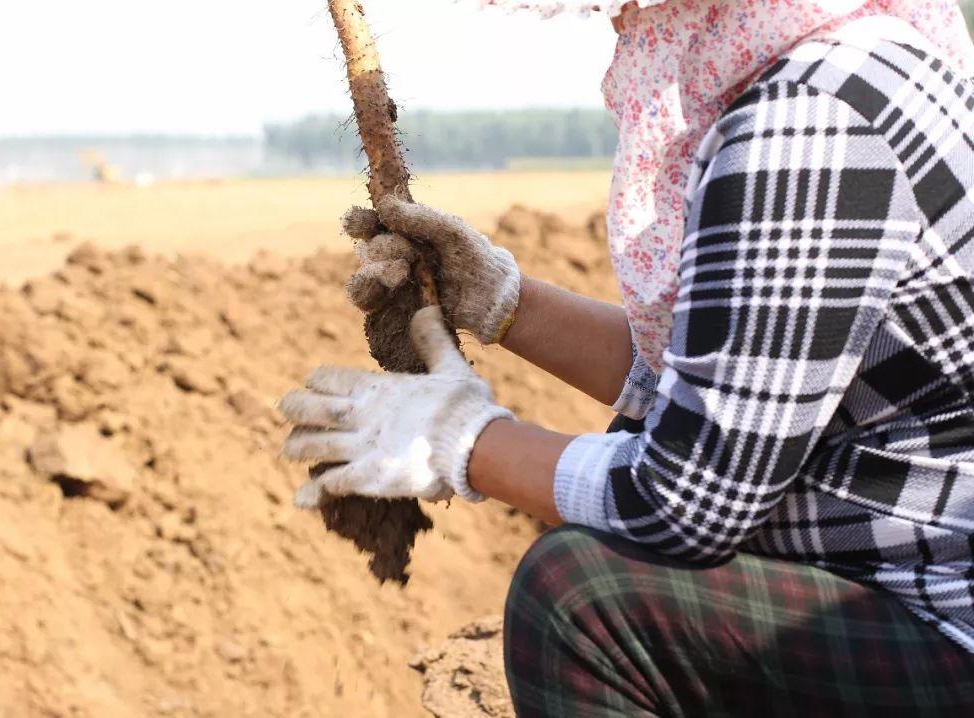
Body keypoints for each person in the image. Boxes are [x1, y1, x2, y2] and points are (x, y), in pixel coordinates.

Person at [281, 1, 974, 714]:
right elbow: (732, 386)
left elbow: (689, 499)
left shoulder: (809, 123)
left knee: (582, 597)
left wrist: (455, 441)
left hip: (939, 622)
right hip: (893, 577)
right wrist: (504, 306)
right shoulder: (843, 63)